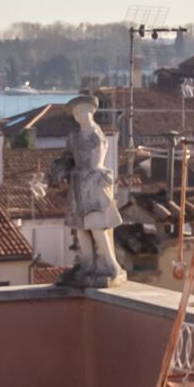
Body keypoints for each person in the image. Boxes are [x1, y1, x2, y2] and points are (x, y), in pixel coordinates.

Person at [64, 95, 126, 285]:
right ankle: (87, 264)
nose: (81, 115)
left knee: (97, 225)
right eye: (77, 113)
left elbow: (96, 163)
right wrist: (59, 169)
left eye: (84, 111)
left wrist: (89, 177)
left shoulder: (97, 137)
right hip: (77, 186)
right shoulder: (74, 137)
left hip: (93, 185)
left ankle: (110, 264)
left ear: (92, 112)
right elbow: (67, 158)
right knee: (80, 228)